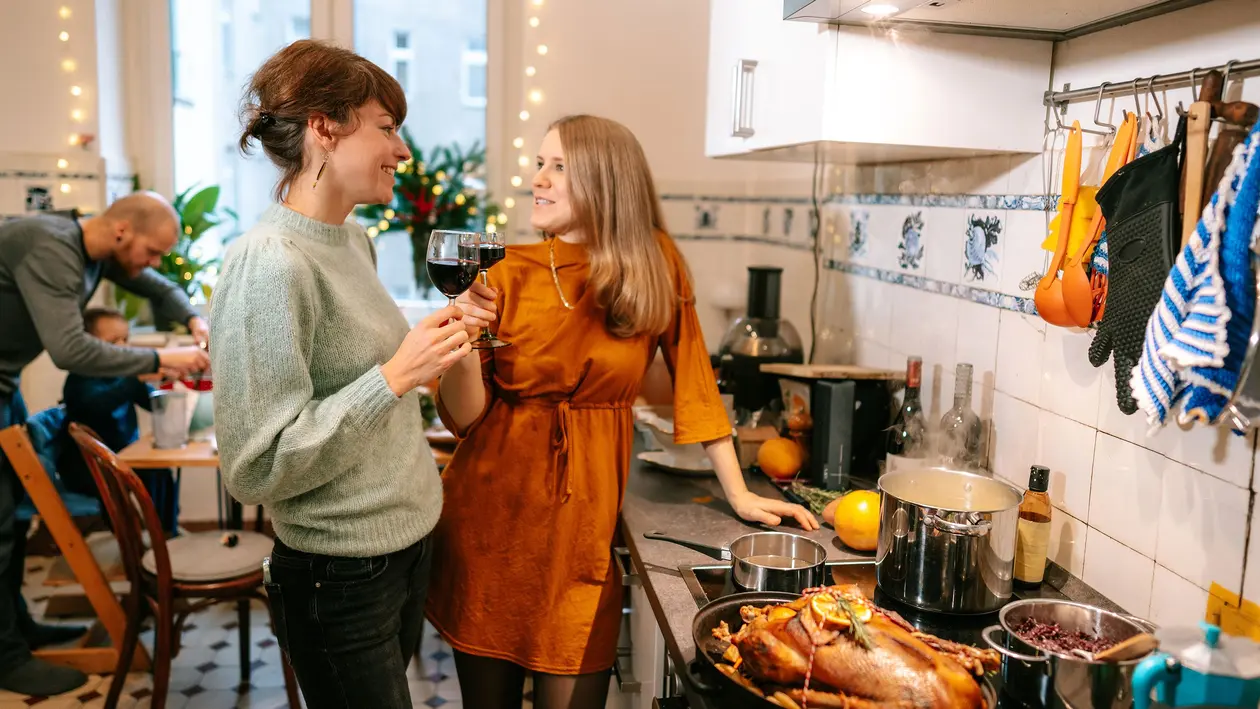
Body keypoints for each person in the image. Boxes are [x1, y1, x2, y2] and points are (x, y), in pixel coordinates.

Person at [429, 114, 819, 709]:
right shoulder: (503, 269)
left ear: (606, 181)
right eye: (539, 164)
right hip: (491, 524)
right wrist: (461, 331)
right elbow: (467, 417)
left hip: (582, 533)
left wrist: (738, 493)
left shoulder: (654, 263)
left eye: (559, 166)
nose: (538, 178)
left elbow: (695, 381)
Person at [208, 39, 492, 709]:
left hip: (405, 547)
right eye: (387, 128)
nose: (403, 151)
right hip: (340, 573)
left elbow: (373, 397)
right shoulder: (270, 261)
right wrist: (392, 378)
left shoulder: (351, 240)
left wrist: (454, 340)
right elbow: (253, 467)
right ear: (323, 128)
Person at [0, 193, 211, 695]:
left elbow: (156, 287)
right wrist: (164, 359)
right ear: (121, 232)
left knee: (9, 520)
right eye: (153, 251)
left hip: (3, 387)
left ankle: (18, 631)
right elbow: (70, 349)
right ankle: (5, 659)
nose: (155, 263)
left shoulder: (91, 250)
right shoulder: (52, 250)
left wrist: (192, 319)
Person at [62, 307, 181, 536]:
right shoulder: (79, 378)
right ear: (88, 345)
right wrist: (134, 377)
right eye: (114, 341)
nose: (124, 347)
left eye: (126, 339)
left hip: (121, 457)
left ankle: (167, 531)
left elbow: (153, 404)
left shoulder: (122, 376)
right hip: (89, 466)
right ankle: (149, 534)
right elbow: (96, 405)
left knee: (161, 470)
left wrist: (168, 383)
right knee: (151, 473)